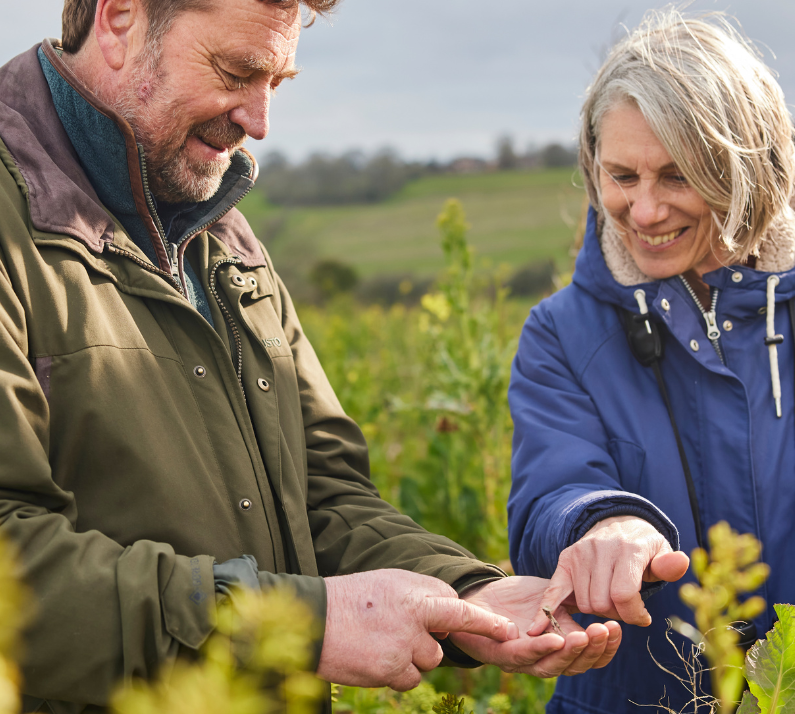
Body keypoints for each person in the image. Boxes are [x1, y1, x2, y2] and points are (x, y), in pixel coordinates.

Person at [0, 0, 624, 710]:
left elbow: (321, 491)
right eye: (237, 71)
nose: (259, 121)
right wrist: (299, 624)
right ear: (118, 20)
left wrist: (469, 592)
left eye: (278, 82)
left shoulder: (224, 243)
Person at [508, 9, 795, 714]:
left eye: (677, 177)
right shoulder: (561, 335)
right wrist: (601, 527)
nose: (641, 211)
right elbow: (549, 496)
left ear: (747, 170)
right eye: (620, 175)